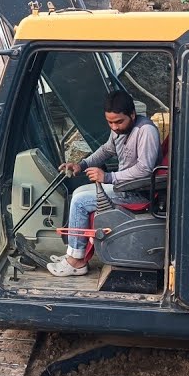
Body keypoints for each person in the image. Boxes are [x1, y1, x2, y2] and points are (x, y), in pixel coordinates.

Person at [49, 90, 161, 277]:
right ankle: (74, 253)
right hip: (124, 186)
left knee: (81, 202)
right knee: (78, 193)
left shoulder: (146, 131)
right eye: (110, 122)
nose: (115, 127)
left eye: (119, 122)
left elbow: (145, 170)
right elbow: (106, 150)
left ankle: (76, 261)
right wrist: (81, 164)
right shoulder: (119, 130)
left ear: (132, 115)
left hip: (138, 192)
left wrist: (108, 177)